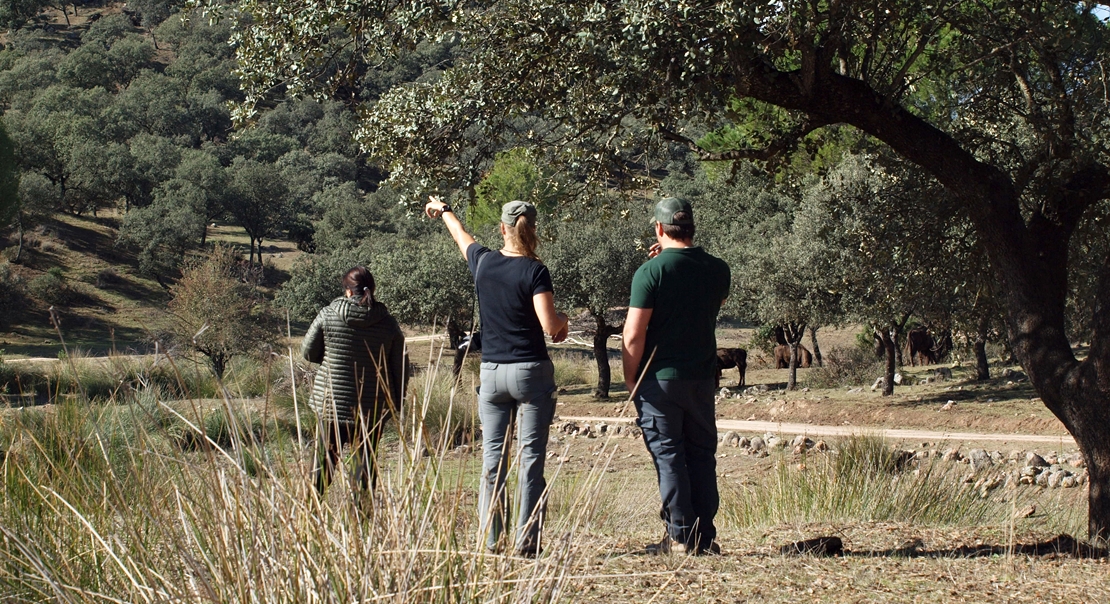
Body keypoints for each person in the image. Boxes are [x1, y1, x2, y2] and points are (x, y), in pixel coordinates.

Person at [425, 195, 570, 556]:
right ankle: (527, 543)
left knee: (493, 461)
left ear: (502, 228)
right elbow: (550, 327)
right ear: (533, 230)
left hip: (490, 374)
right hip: (530, 373)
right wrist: (564, 322)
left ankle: (492, 539)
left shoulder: (484, 263)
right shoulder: (536, 271)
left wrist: (443, 210)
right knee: (531, 458)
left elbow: (461, 236)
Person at [621, 197, 731, 555]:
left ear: (658, 229)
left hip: (659, 380)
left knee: (669, 456)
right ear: (692, 228)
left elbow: (633, 335)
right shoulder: (718, 269)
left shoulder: (649, 273)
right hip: (701, 378)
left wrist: (629, 380)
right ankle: (705, 537)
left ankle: (681, 536)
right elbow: (706, 303)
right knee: (702, 454)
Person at [302, 266, 407, 495]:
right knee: (365, 467)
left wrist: (331, 358)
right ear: (372, 290)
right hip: (372, 408)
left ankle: (310, 514)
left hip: (331, 404)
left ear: (348, 291)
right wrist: (396, 405)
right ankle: (362, 522)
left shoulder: (328, 314)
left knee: (323, 462)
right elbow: (399, 367)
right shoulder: (388, 323)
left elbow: (308, 353)